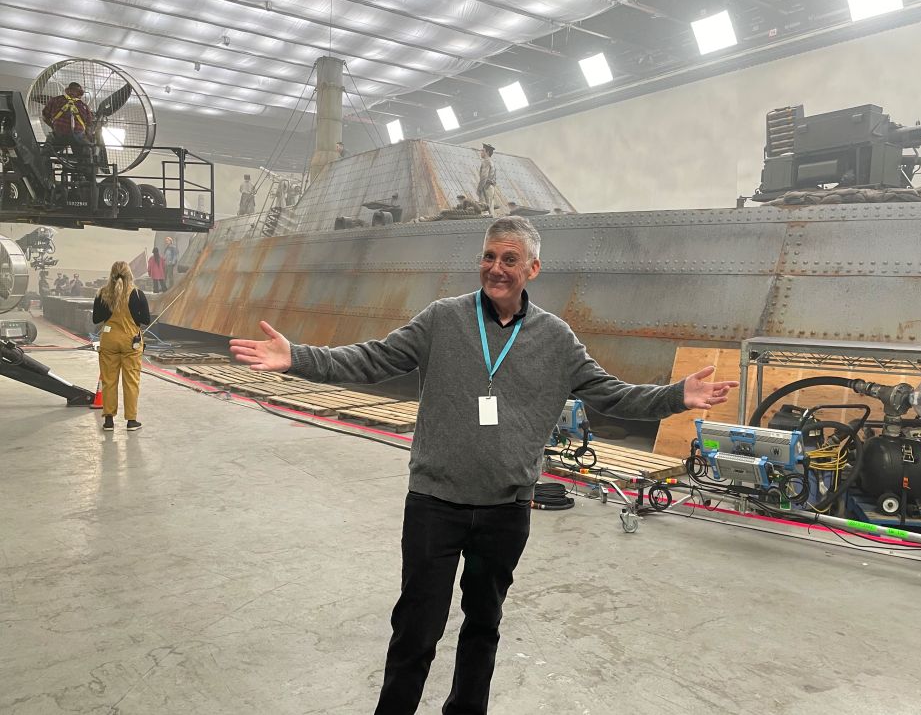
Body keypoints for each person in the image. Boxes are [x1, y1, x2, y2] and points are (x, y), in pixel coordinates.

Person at [229, 215, 738, 714]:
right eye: (490, 257)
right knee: (416, 629)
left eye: (510, 259)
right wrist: (297, 357)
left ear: (533, 269)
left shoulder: (555, 338)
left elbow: (612, 394)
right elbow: (372, 359)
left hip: (505, 510)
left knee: (483, 625)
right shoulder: (442, 319)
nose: (497, 268)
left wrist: (675, 396)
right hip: (435, 504)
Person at [92, 261, 150, 431]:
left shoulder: (102, 293)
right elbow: (145, 319)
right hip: (130, 342)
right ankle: (131, 421)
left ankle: (108, 420)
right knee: (131, 381)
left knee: (109, 381)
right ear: (129, 274)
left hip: (109, 341)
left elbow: (96, 319)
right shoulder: (137, 294)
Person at [41, 82, 94, 171]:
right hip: (78, 137)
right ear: (79, 94)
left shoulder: (55, 100)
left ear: (67, 91)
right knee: (86, 155)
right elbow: (89, 124)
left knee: (45, 153)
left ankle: (43, 172)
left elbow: (45, 116)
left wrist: (54, 127)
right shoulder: (84, 106)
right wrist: (88, 138)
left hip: (60, 135)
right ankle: (86, 175)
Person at [477, 143, 504, 217]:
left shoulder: (486, 161)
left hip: (486, 186)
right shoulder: (491, 162)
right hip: (491, 187)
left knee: (484, 207)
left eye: (483, 151)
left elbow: (484, 177)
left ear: (487, 152)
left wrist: (479, 189)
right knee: (490, 206)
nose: (481, 152)